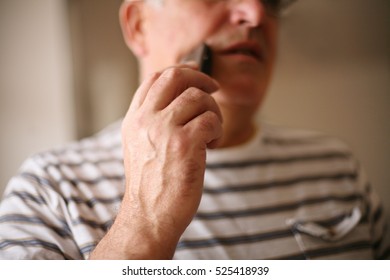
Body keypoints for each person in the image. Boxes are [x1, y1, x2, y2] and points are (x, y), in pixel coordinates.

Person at [0, 0, 388, 260]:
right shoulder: (48, 189)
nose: (255, 13)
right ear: (138, 26)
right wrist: (145, 225)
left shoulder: (338, 168)